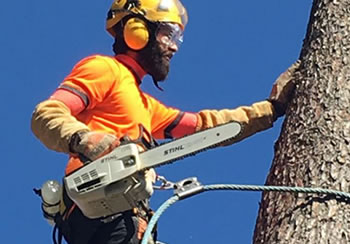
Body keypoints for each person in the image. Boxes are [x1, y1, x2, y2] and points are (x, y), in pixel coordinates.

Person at [31, 0, 300, 243]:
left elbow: (208, 126)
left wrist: (271, 108)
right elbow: (47, 114)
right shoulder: (104, 69)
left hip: (127, 219)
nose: (173, 46)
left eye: (177, 38)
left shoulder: (146, 106)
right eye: (168, 34)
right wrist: (85, 139)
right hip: (96, 217)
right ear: (138, 30)